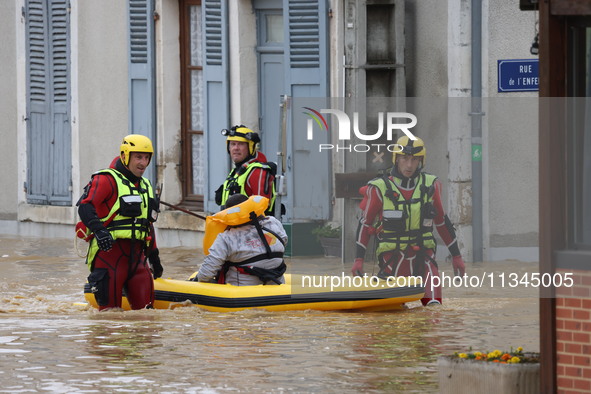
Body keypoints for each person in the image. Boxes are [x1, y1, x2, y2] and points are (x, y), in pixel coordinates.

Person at [352, 135, 466, 306]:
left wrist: (456, 256)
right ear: (396, 158)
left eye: (414, 159)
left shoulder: (431, 185)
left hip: (424, 257)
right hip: (391, 261)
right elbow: (365, 223)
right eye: (405, 158)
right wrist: (358, 260)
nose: (409, 165)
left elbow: (442, 222)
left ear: (421, 160)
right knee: (393, 319)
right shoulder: (378, 188)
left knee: (434, 311)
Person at [77, 134, 163, 311]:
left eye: (147, 158)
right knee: (110, 317)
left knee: (147, 316)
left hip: (138, 259)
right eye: (138, 157)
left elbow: (147, 224)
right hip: (109, 256)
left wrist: (154, 256)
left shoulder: (146, 185)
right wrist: (100, 231)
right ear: (125, 156)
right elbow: (85, 207)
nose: (143, 163)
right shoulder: (105, 179)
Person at [197, 194, 288, 285]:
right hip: (278, 287)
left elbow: (205, 275)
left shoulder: (226, 238)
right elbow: (283, 243)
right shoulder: (273, 223)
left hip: (242, 294)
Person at [215, 125, 277, 216]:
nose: (236, 148)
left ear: (250, 147)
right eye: (233, 144)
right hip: (234, 227)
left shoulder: (257, 171)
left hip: (253, 229)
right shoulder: (235, 172)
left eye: (241, 144)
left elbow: (261, 209)